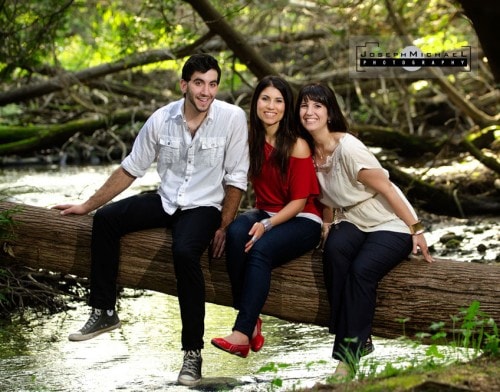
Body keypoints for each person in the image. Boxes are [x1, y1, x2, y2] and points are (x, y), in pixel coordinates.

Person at [52, 54, 249, 386]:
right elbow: (131, 168)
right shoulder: (162, 119)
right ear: (184, 85)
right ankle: (104, 312)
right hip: (166, 200)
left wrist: (224, 225)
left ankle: (192, 355)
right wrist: (87, 205)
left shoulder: (232, 118)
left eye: (213, 84)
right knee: (107, 219)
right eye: (199, 83)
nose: (206, 92)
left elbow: (237, 178)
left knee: (185, 252)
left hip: (203, 206)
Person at [295, 83, 434, 378]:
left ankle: (348, 358)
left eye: (318, 106)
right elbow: (328, 196)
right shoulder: (306, 151)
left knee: (361, 271)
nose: (310, 112)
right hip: (352, 220)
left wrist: (417, 230)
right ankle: (361, 337)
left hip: (388, 221)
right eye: (305, 106)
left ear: (330, 112)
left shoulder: (348, 148)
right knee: (333, 252)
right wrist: (327, 223)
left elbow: (388, 188)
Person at [211, 76, 322, 358]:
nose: (270, 106)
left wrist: (267, 224)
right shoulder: (251, 138)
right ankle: (250, 324)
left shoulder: (297, 144)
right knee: (236, 235)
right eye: (265, 99)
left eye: (278, 100)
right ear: (256, 102)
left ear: (287, 107)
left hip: (303, 219)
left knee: (260, 251)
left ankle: (241, 331)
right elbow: (230, 176)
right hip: (265, 211)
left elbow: (299, 202)